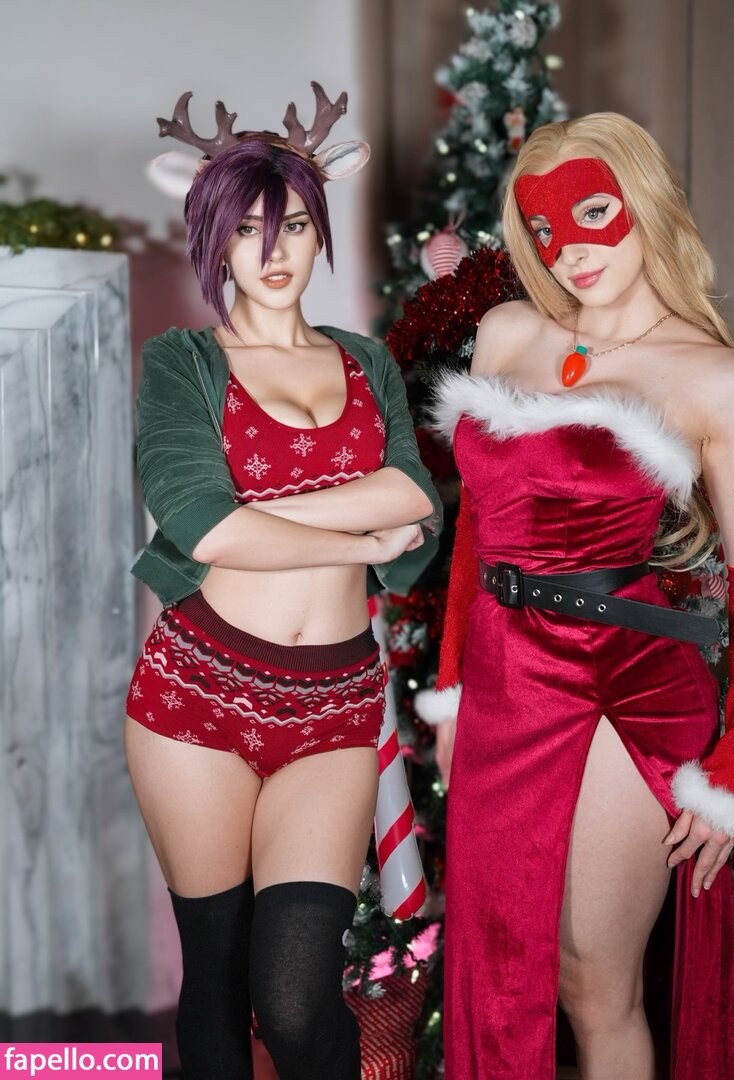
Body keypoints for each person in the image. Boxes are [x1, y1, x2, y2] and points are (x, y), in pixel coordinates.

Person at [416, 112, 734, 1079]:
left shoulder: (716, 380)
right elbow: (475, 532)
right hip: (502, 675)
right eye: (544, 229)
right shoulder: (507, 332)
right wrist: (453, 688)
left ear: (645, 202)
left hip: (618, 681)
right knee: (502, 968)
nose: (569, 250)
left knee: (593, 980)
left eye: (592, 213)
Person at [125, 85, 440, 1080]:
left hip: (334, 706)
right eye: (248, 228)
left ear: (318, 231)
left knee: (299, 1004)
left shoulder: (365, 361)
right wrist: (358, 535)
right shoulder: (183, 362)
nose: (274, 250)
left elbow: (415, 502)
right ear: (213, 239)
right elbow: (203, 525)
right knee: (216, 985)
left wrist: (271, 518)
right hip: (196, 700)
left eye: (295, 224)